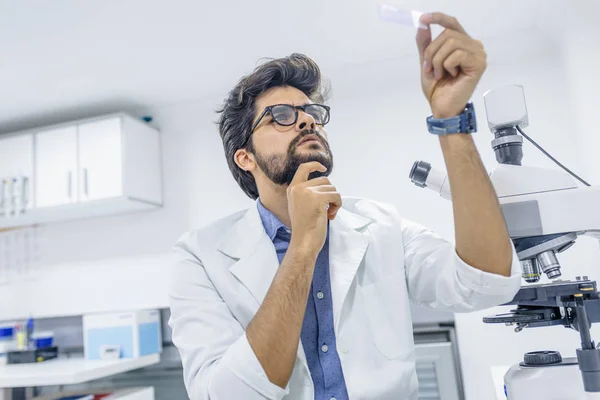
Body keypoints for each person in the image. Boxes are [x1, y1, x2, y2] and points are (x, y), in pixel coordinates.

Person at [169, 12, 521, 400]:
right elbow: (227, 394)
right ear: (245, 158)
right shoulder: (199, 256)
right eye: (281, 117)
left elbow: (486, 283)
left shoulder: (380, 224)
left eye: (311, 113)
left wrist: (450, 118)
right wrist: (303, 247)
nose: (306, 121)